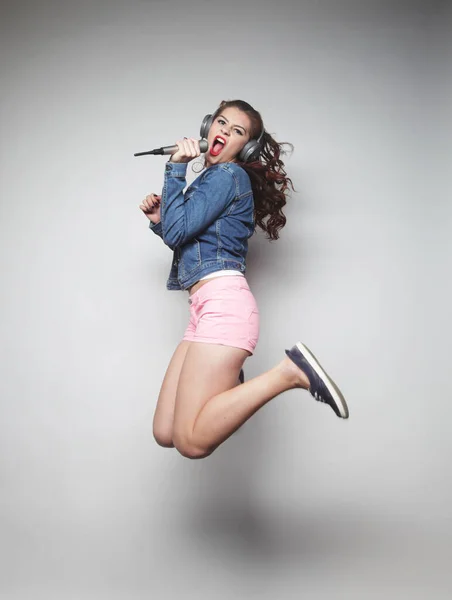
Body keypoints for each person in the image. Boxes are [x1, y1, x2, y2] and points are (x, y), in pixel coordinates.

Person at [139, 100, 349, 460]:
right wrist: (162, 220)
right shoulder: (211, 180)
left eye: (237, 131)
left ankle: (288, 373)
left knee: (191, 443)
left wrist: (175, 168)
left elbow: (179, 235)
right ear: (208, 128)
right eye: (221, 122)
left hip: (224, 305)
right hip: (204, 308)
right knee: (165, 431)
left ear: (245, 147)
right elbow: (186, 238)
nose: (224, 131)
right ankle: (234, 381)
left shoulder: (227, 176)